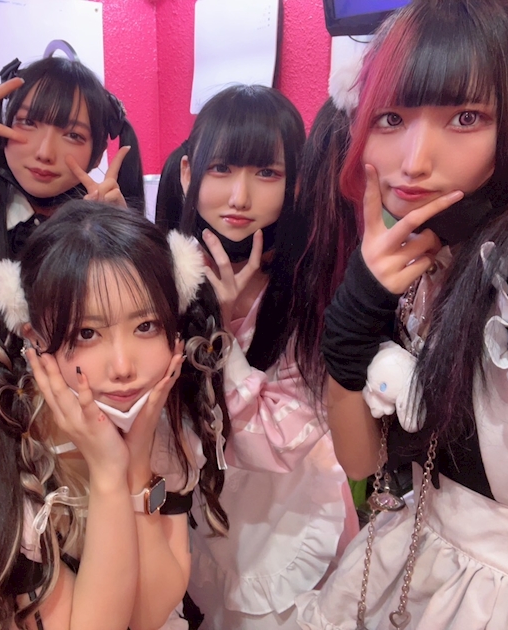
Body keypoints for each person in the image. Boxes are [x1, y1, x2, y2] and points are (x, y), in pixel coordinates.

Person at [296, 1, 508, 628]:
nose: (416, 159)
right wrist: (353, 318)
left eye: (465, 118)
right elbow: (363, 464)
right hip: (423, 566)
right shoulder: (422, 256)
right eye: (391, 118)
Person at [0, 201, 233, 630]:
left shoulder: (159, 428)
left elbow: (149, 615)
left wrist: (136, 467)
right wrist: (108, 470)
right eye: (87, 333)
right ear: (32, 336)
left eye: (146, 326)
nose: (123, 366)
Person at [158, 85, 359, 629]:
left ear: (297, 185)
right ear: (186, 174)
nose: (239, 196)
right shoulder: (160, 279)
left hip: (287, 515)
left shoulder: (310, 291)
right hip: (198, 515)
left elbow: (274, 442)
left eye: (267, 173)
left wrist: (220, 337)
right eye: (221, 168)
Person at [0, 56, 145, 259]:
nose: (45, 153)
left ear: (98, 154)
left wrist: (118, 237)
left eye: (73, 135)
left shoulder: (99, 222)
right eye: (28, 123)